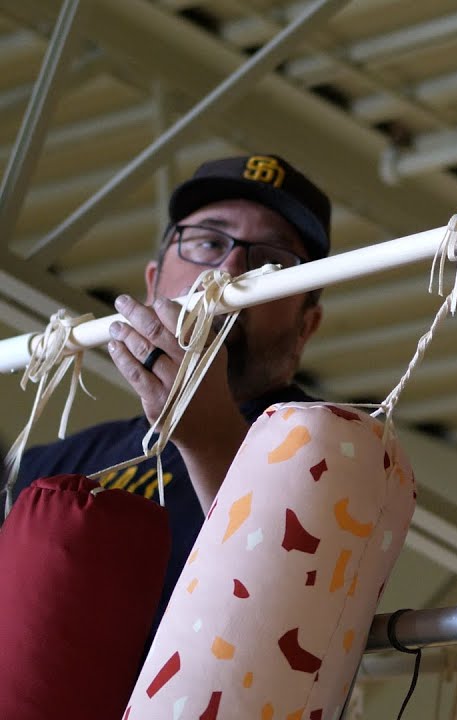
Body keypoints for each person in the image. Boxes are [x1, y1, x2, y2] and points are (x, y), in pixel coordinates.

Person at [14, 153, 328, 631]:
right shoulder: (52, 464)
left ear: (306, 325)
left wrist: (209, 436)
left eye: (271, 259)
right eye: (207, 241)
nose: (229, 267)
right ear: (153, 281)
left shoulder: (333, 446)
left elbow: (292, 620)